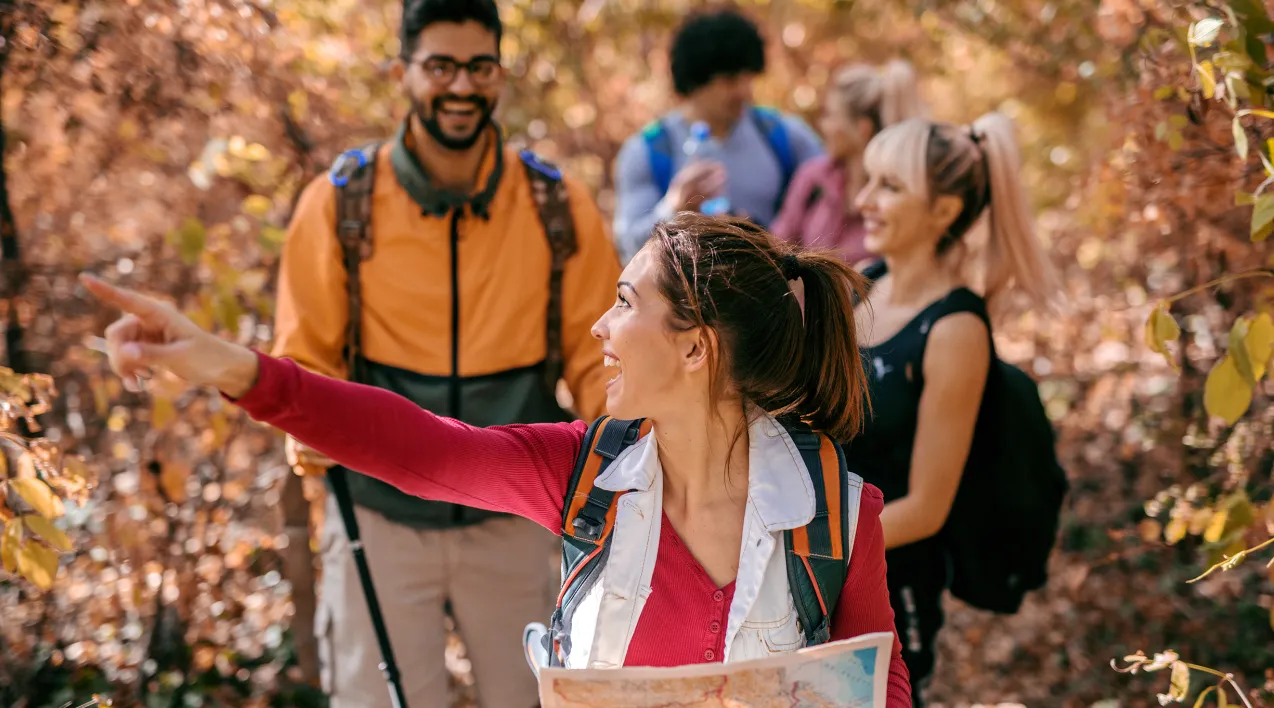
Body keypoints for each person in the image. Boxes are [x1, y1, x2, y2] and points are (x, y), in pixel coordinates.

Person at [81, 212, 914, 707]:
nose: (600, 329)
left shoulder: (839, 514)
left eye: (625, 303)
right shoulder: (587, 474)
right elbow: (414, 447)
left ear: (695, 349)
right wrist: (234, 369)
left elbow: (881, 690)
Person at [270, 0, 620, 705]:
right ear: (402, 72)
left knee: (536, 701)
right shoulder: (341, 204)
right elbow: (307, 363)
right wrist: (311, 442)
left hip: (517, 513)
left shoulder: (558, 207)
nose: (461, 87)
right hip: (378, 511)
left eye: (479, 67)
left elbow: (601, 361)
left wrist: (631, 460)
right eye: (440, 67)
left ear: (500, 73)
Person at [844, 113, 1061, 706]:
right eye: (869, 181)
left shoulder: (956, 328)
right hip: (809, 576)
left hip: (887, 589)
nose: (864, 200)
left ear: (942, 212)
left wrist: (812, 549)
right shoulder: (863, 284)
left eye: (889, 187)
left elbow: (926, 508)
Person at [611, 7, 825, 264]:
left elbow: (834, 195)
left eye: (748, 78)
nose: (744, 92)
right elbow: (628, 247)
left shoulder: (783, 135)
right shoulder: (646, 152)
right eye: (730, 80)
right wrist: (674, 208)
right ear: (695, 81)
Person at [771, 60, 924, 266]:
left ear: (862, 129)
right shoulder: (813, 176)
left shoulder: (900, 195)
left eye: (831, 116)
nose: (824, 126)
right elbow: (776, 247)